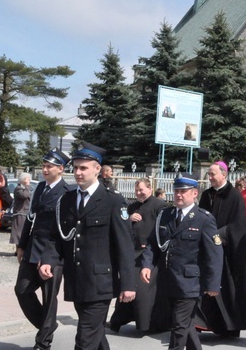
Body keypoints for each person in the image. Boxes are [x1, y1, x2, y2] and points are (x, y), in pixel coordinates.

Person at [39, 142, 136, 350]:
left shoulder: (112, 201)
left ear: (97, 169)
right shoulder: (66, 199)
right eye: (75, 168)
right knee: (96, 335)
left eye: (83, 168)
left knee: (85, 339)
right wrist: (48, 258)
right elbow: (56, 236)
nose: (78, 173)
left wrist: (128, 283)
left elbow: (125, 244)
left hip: (101, 283)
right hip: (76, 280)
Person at [141, 173, 223, 350]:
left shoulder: (204, 218)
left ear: (195, 193)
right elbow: (152, 243)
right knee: (185, 324)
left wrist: (213, 284)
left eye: (183, 191)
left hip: (190, 283)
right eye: (176, 190)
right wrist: (147, 265)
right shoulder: (165, 215)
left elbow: (215, 254)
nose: (178, 194)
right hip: (167, 280)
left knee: (179, 326)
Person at [15, 149, 74, 350]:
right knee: (22, 290)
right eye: (44, 165)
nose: (45, 169)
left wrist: (48, 257)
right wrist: (22, 245)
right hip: (33, 247)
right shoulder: (40, 188)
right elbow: (31, 219)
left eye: (50, 166)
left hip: (53, 253)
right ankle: (47, 325)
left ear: (61, 169)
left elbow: (62, 229)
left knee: (49, 298)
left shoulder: (66, 193)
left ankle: (43, 342)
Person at [196, 161, 246, 337]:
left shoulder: (234, 196)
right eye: (209, 175)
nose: (209, 178)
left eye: (212, 174)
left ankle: (228, 327)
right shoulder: (206, 195)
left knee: (227, 288)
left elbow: (238, 225)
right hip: (208, 250)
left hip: (227, 253)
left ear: (224, 175)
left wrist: (216, 236)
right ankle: (203, 324)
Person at [109, 177, 168, 332]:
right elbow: (120, 224)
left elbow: (163, 229)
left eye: (141, 190)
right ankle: (118, 320)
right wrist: (129, 218)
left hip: (150, 254)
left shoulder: (159, 206)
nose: (138, 193)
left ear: (150, 188)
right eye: (136, 190)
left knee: (143, 290)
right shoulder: (132, 206)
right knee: (128, 286)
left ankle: (147, 325)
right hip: (133, 253)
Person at [10, 172, 32, 249]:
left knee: (22, 232)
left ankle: (21, 248)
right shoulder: (18, 189)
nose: (29, 180)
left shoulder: (24, 188)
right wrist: (27, 185)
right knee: (18, 232)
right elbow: (24, 195)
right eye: (28, 179)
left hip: (25, 213)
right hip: (20, 213)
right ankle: (18, 249)